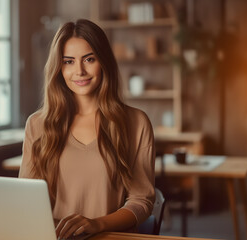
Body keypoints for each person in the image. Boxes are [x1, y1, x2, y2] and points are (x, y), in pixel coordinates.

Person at [19, 19, 155, 239]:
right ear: (59, 68)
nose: (79, 71)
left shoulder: (136, 122)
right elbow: (25, 200)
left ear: (104, 62)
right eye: (69, 62)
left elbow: (142, 201)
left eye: (89, 59)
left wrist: (96, 224)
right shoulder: (37, 124)